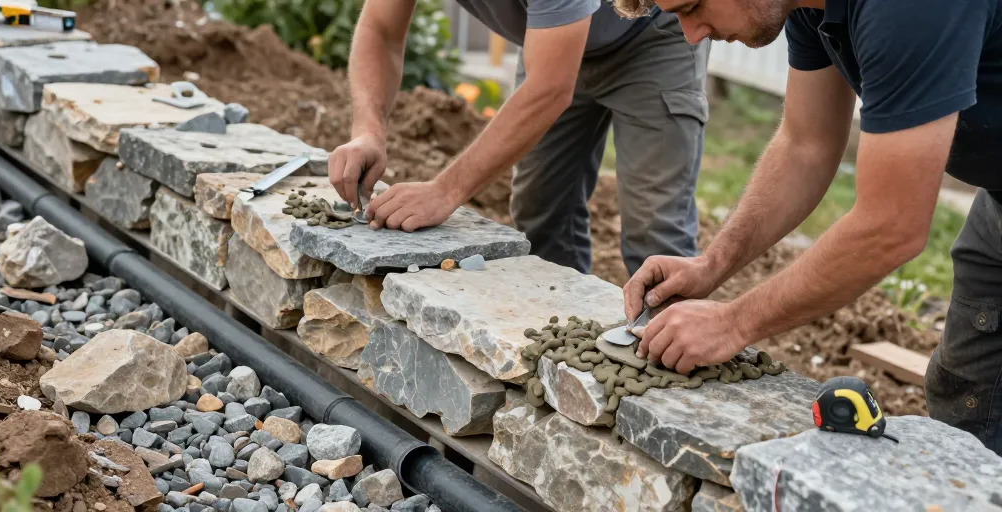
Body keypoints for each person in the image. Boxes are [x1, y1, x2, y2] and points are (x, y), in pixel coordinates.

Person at [610, 0, 1002, 455]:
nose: (691, 35)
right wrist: (712, 264)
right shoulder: (805, 7)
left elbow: (891, 225)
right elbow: (805, 145)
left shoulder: (907, 8)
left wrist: (732, 324)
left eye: (692, 6)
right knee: (971, 402)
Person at [328, 0, 710, 277]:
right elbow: (380, 29)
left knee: (654, 229)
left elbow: (550, 87)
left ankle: (670, 368)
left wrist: (444, 191)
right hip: (554, 39)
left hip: (652, 36)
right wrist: (367, 131)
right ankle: (558, 339)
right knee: (539, 208)